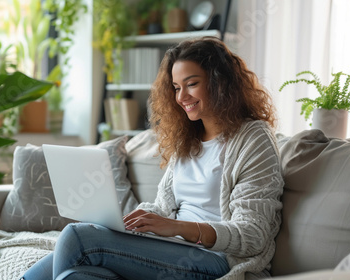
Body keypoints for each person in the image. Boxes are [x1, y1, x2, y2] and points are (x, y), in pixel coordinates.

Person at [21, 36, 284, 280]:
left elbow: (253, 235)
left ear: (220, 82)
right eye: (176, 87)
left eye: (192, 84)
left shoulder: (253, 139)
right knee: (76, 276)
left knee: (76, 236)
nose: (181, 97)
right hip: (168, 249)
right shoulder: (187, 139)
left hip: (214, 259)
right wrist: (136, 220)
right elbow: (163, 205)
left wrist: (178, 227)